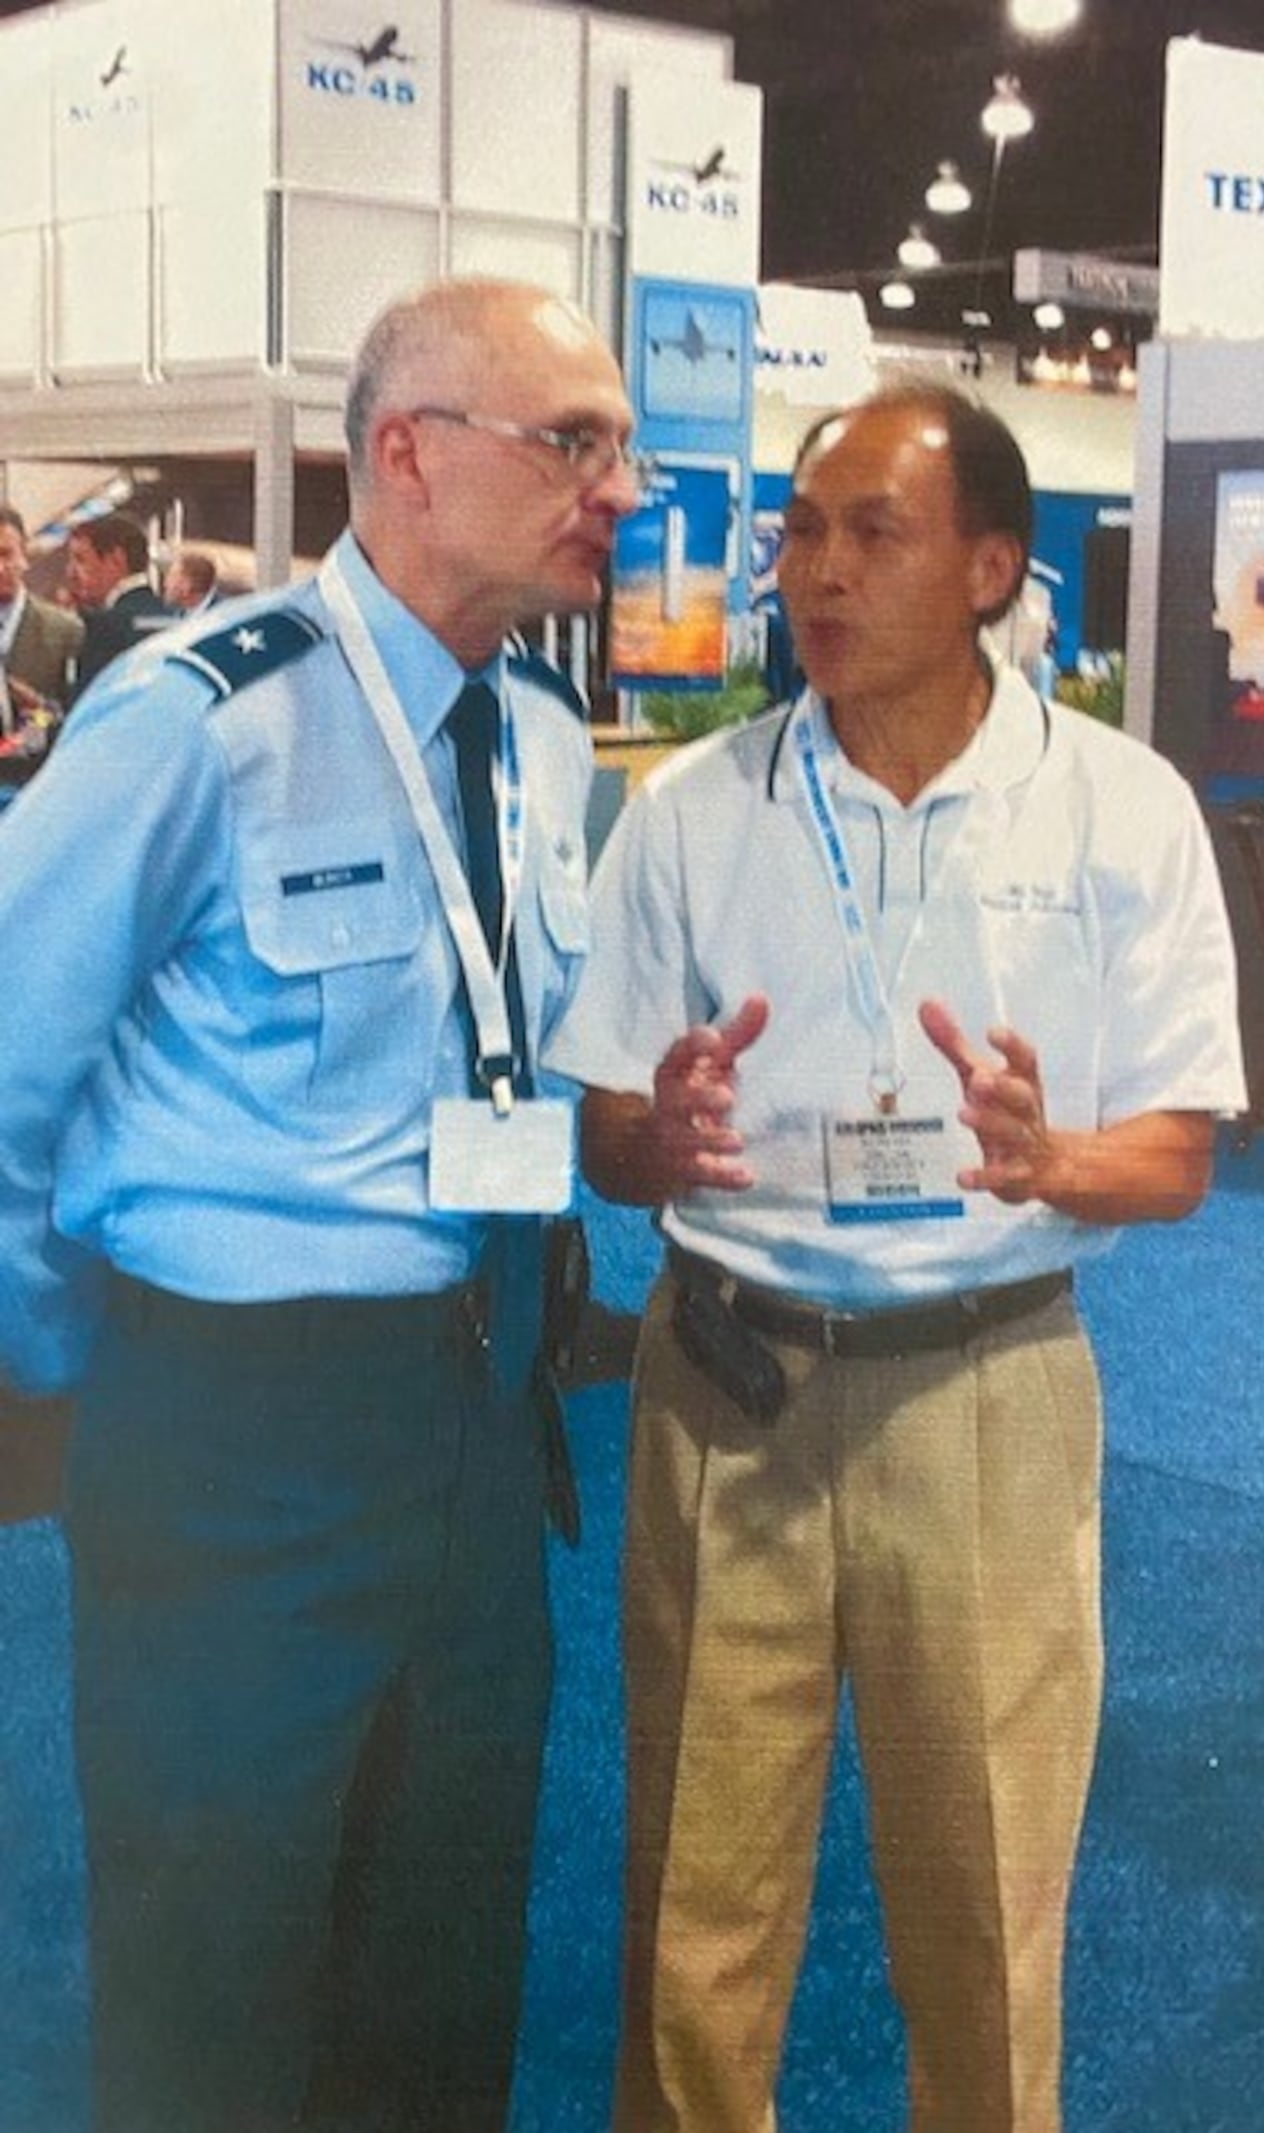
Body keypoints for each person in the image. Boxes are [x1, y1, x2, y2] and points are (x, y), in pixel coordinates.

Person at [547, 382, 1246, 2131]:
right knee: (695, 1914)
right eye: (801, 531)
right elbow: (604, 1124)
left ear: (994, 567)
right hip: (725, 1386)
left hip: (987, 1392)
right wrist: (661, 1132)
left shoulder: (1120, 808)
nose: (819, 571)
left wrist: (1051, 1153)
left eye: (875, 532)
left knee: (986, 1904)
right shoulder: (695, 810)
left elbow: (1176, 1153)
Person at [0, 275, 642, 2131]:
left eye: (622, 446)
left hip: (481, 1427)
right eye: (573, 443)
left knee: (443, 1984)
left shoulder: (538, 733)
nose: (619, 487)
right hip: (233, 1437)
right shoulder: (193, 724)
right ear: (406, 456)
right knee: (212, 1987)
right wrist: (85, 1371)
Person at [65, 511, 175, 696]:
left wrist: (42, 712)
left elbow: (88, 710)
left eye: (80, 559)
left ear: (116, 559)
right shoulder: (176, 618)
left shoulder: (105, 627)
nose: (71, 573)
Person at [0, 504, 84, 728]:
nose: (0, 568)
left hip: (40, 761)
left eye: (6, 554)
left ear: (24, 553)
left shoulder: (66, 632)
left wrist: (40, 714)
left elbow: (73, 722)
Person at [162, 545, 219, 613]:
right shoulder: (179, 612)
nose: (165, 584)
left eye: (171, 578)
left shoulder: (224, 615)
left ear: (187, 586)